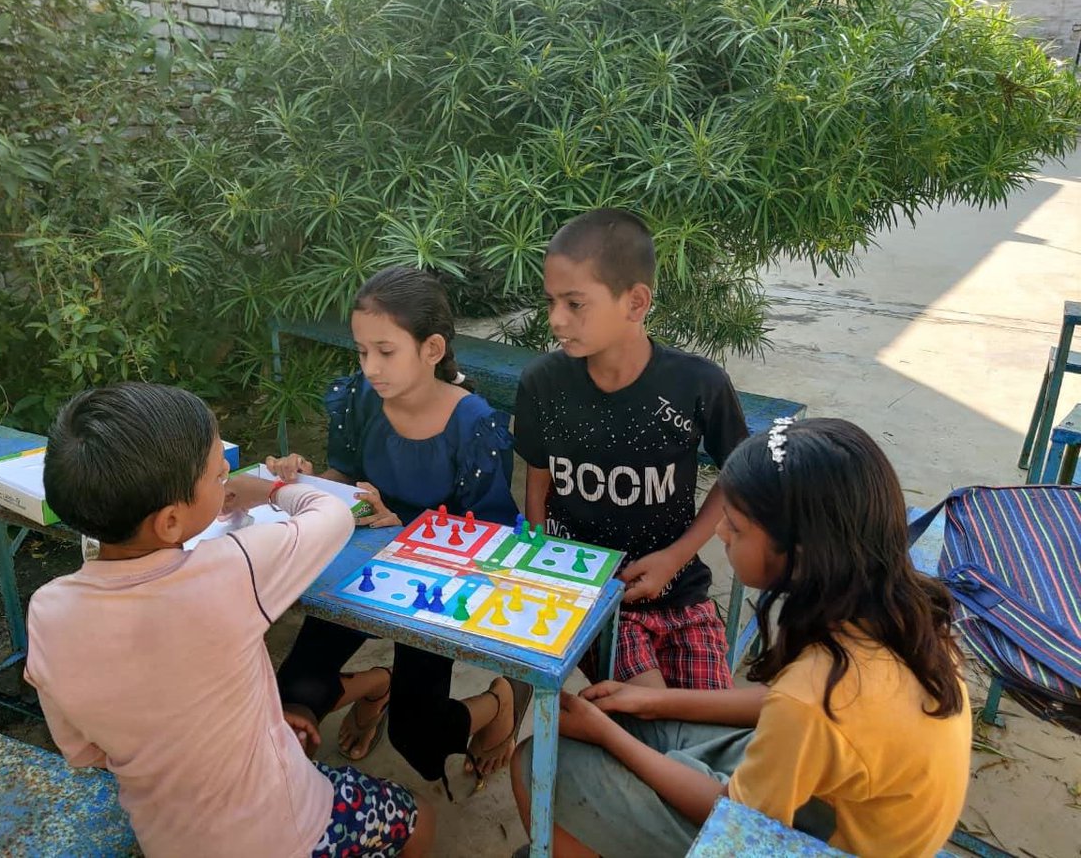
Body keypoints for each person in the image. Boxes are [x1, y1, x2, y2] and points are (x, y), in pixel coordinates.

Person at [511, 418, 972, 858]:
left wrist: (607, 734)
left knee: (539, 761)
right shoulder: (896, 614)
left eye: (736, 525)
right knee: (631, 724)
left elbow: (734, 814)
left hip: (812, 842)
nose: (719, 531)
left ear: (799, 554)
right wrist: (649, 701)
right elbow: (778, 704)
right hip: (841, 807)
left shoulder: (814, 693)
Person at [25, 382, 435, 857]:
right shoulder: (231, 568)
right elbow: (334, 515)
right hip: (286, 832)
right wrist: (272, 489)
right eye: (217, 475)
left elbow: (85, 751)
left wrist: (258, 727)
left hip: (168, 839)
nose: (227, 472)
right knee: (418, 816)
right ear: (170, 523)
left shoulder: (48, 611)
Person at [274, 266, 529, 789]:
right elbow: (343, 474)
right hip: (357, 570)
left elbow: (491, 535)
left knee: (419, 734)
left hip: (429, 586)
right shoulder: (360, 401)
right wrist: (303, 482)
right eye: (362, 351)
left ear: (432, 348)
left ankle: (499, 701)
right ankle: (375, 685)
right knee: (291, 694)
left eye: (385, 351)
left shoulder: (473, 424)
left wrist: (406, 527)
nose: (370, 367)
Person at [515, 208, 749, 691]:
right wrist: (544, 573)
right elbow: (538, 479)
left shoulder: (697, 384)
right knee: (650, 712)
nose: (556, 319)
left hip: (680, 588)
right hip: (594, 594)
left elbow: (739, 474)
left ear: (636, 302)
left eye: (575, 303)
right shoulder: (544, 382)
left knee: (709, 734)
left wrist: (676, 557)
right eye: (551, 301)